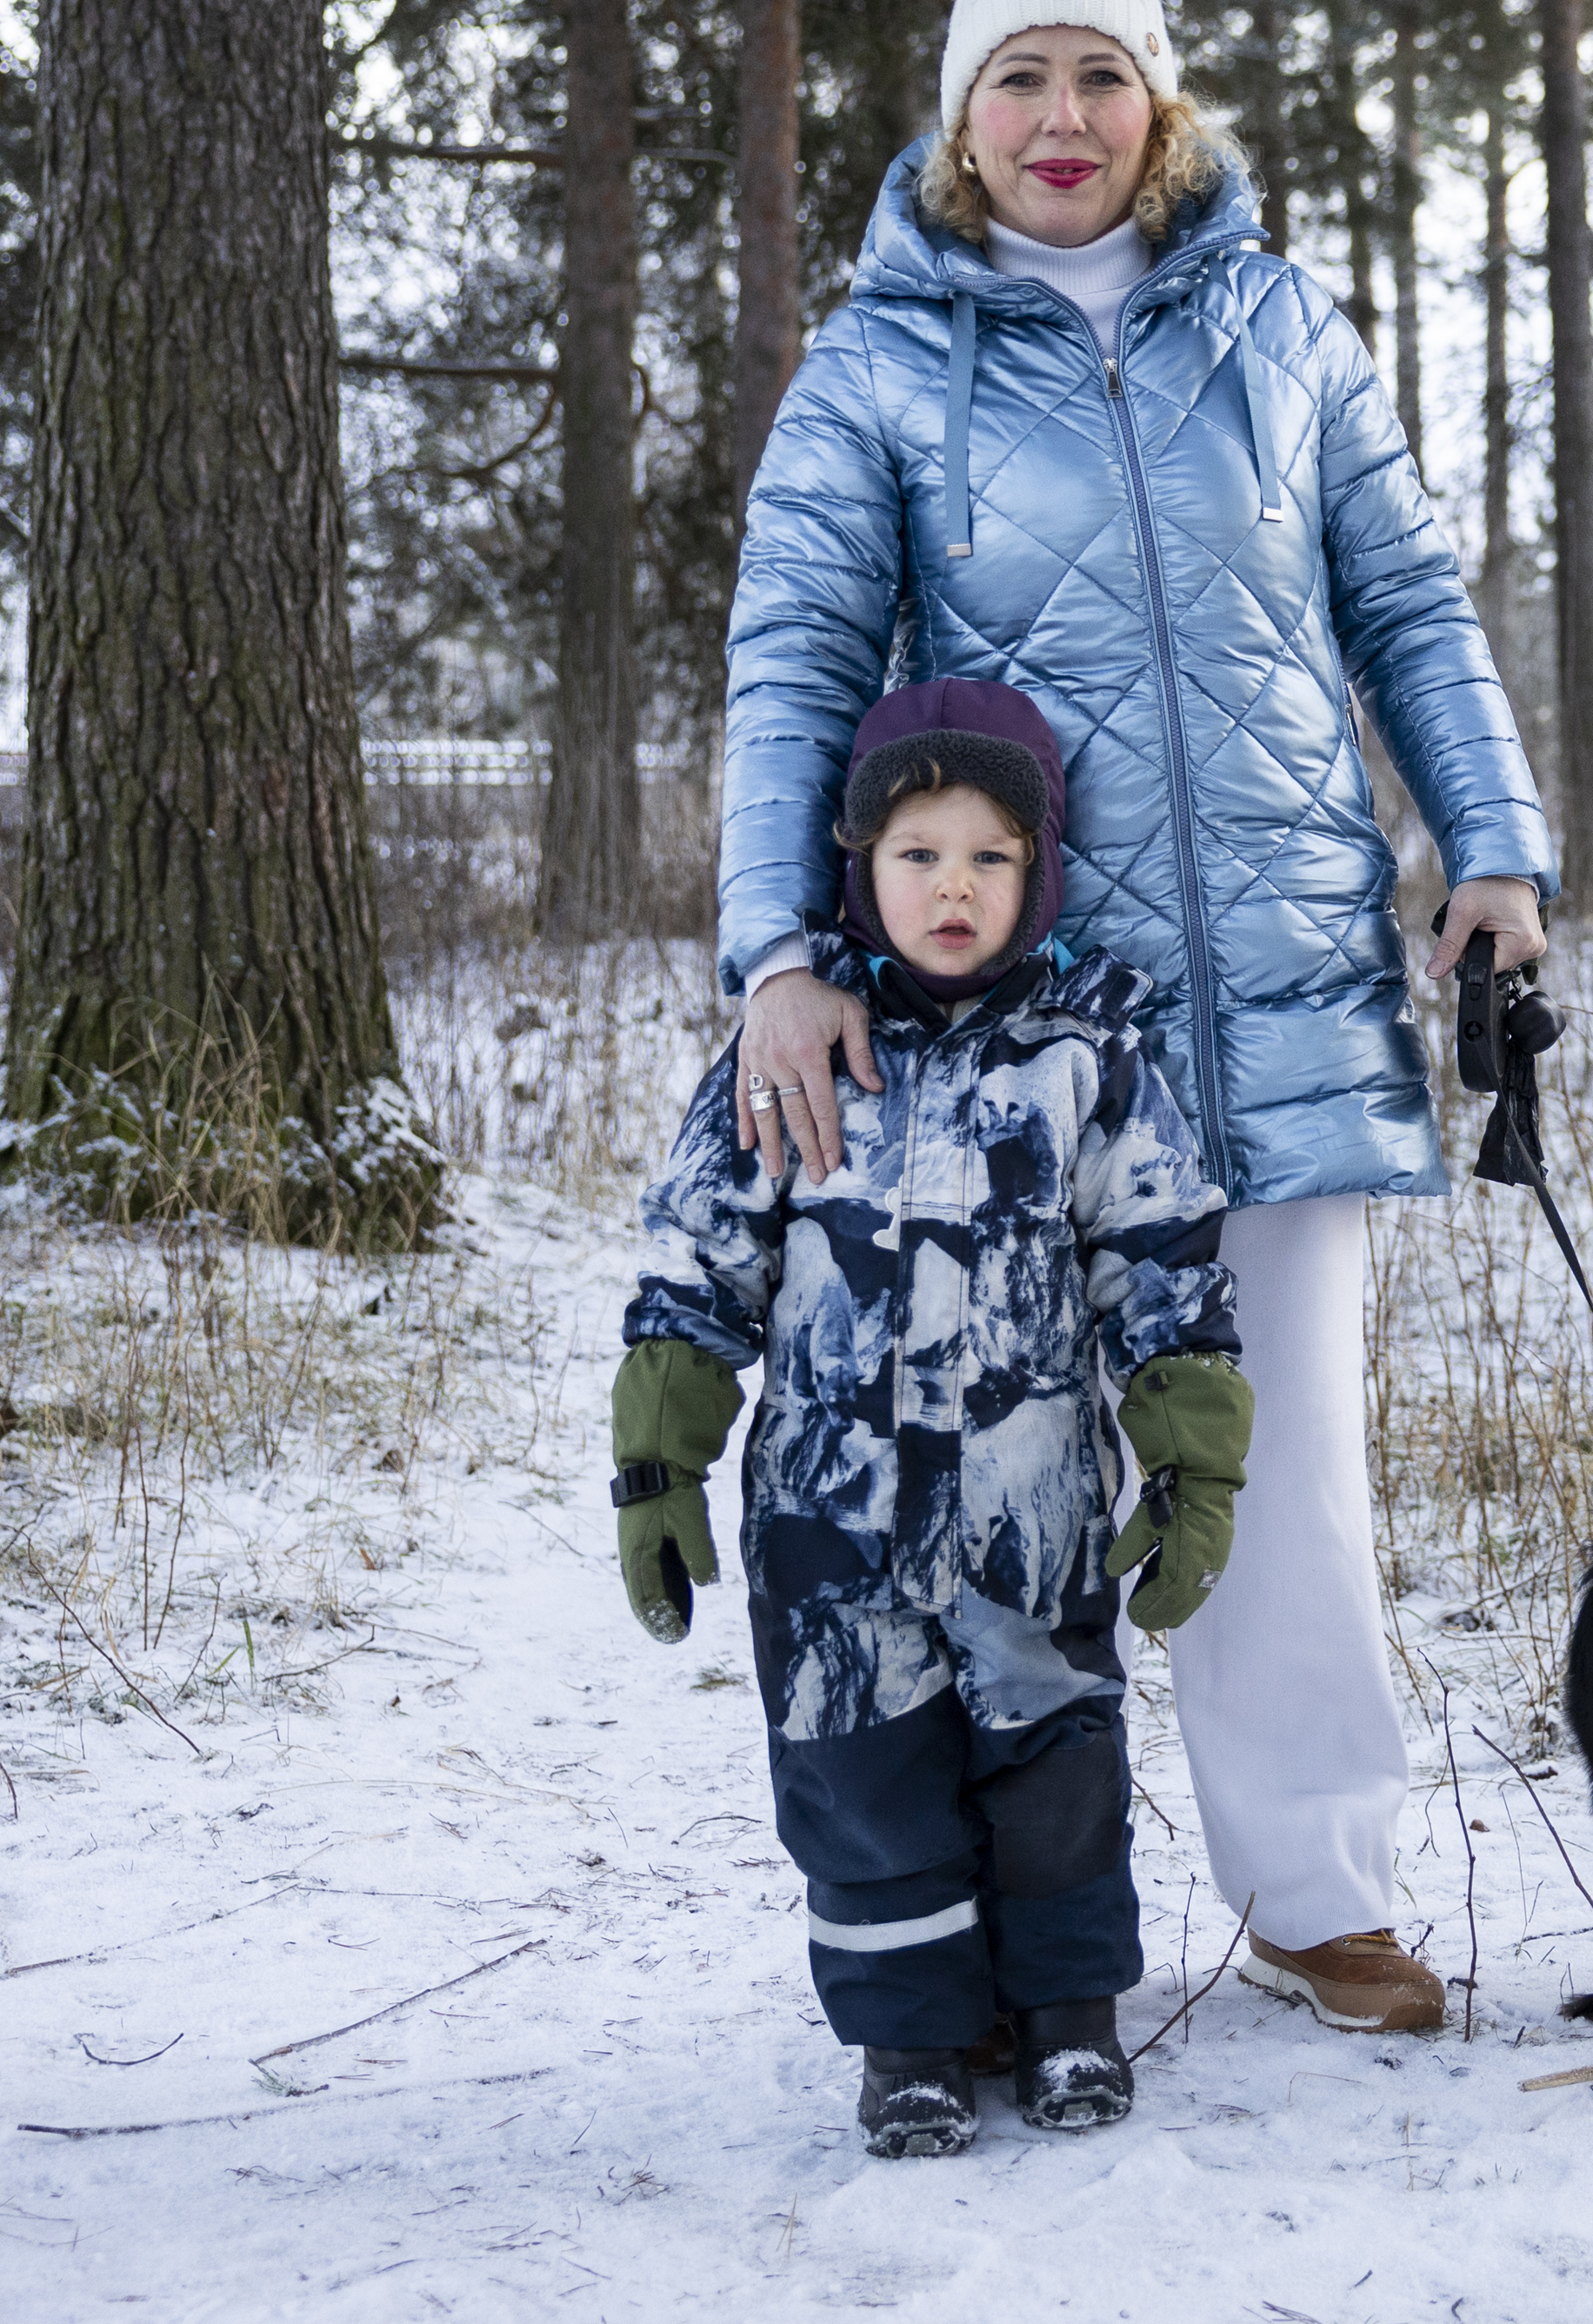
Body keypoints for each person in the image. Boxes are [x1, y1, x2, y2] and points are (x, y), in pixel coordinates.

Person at [716, 0, 1556, 2035]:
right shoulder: (880, 364)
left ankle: (1314, 1887)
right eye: (1019, 78)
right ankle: (996, 1935)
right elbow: (792, 668)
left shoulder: (1282, 324)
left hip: (1278, 1002)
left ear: (1160, 104)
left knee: (1280, 1457)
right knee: (988, 1483)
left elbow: (1403, 598)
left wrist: (1494, 835)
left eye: (1101, 72)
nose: (1062, 117)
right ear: (957, 112)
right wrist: (777, 952)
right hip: (1009, 1033)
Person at [613, 677, 1255, 2158]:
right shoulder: (793, 1055)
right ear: (859, 870)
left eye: (988, 856)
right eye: (916, 854)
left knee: (1054, 1762)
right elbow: (697, 1259)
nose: (951, 885)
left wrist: (1190, 1464)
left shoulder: (1092, 1058)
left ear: (1036, 877)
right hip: (826, 1522)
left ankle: (1066, 2018)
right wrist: (657, 1460)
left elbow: (1162, 1265)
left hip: (1029, 1514)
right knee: (858, 1770)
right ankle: (910, 2036)